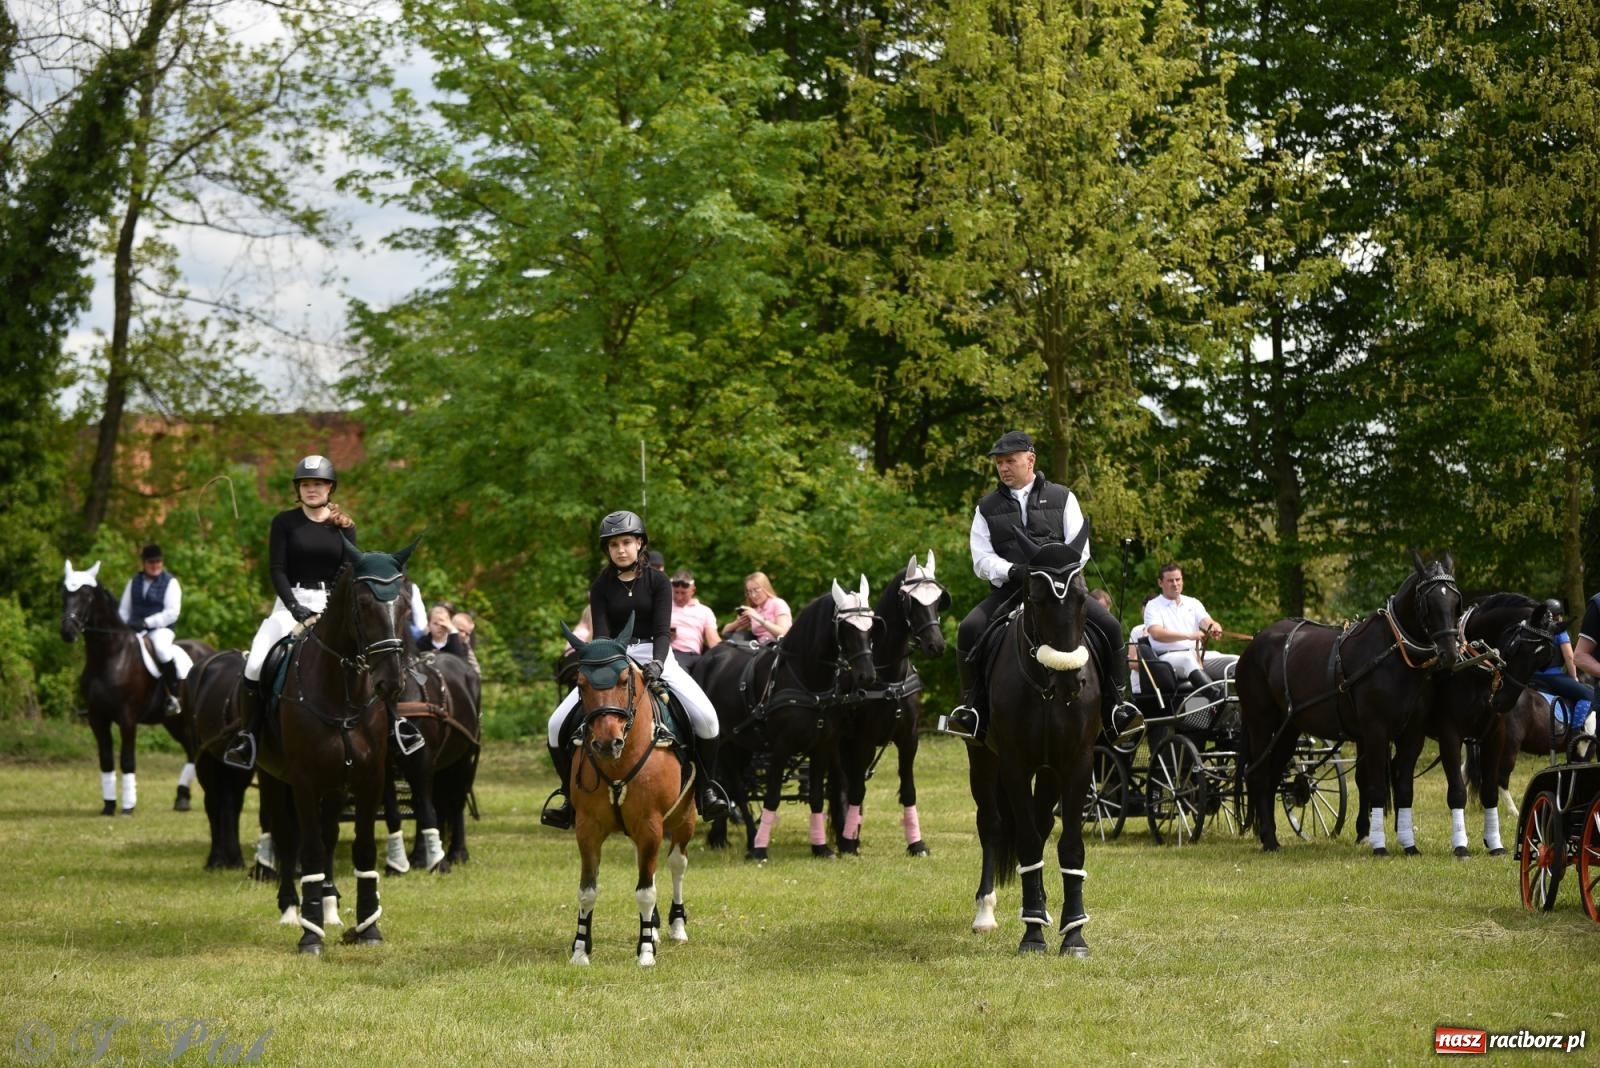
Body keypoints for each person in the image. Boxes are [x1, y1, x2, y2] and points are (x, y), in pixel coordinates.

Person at [223, 455, 424, 769]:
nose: (311, 489)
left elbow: (349, 573)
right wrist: (294, 606)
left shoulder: (344, 526)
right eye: (306, 484)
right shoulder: (284, 522)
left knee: (373, 654)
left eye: (317, 484)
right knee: (256, 662)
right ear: (298, 489)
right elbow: (277, 570)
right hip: (291, 604)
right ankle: (249, 736)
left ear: (330, 488)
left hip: (335, 607)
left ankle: (397, 723)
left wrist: (338, 610)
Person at [939, 430, 1139, 742]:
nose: (1004, 468)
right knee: (968, 628)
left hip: (1062, 591)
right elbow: (981, 559)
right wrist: (1014, 571)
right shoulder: (986, 507)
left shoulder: (1063, 497)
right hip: (1011, 589)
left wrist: (1053, 573)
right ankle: (973, 711)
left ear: (1030, 460)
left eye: (1010, 461)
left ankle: (1117, 708)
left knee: (1111, 627)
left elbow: (1080, 550)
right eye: (999, 463)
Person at [541, 510, 730, 828]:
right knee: (554, 724)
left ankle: (706, 790)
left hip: (657, 655)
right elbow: (601, 635)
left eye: (626, 542)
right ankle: (567, 797)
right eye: (613, 545)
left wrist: (656, 663)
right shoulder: (601, 585)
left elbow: (660, 631)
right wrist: (608, 664)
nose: (620, 550)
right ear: (608, 550)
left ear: (640, 543)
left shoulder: (658, 582)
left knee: (709, 720)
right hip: (613, 659)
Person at [117, 543, 193, 712]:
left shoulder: (170, 583)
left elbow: (172, 613)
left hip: (161, 630)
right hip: (134, 629)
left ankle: (173, 696)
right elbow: (123, 610)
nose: (155, 565)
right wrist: (123, 626)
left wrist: (147, 623)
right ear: (144, 563)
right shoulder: (134, 582)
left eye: (158, 561)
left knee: (162, 650)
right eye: (151, 562)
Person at [1143, 562, 1235, 694]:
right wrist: (1189, 635)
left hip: (1197, 654)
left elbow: (1206, 622)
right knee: (1188, 660)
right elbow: (1157, 633)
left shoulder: (1192, 602)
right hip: (1169, 658)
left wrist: (1214, 627)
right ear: (1160, 583)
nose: (1175, 584)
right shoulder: (1153, 606)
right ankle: (1217, 700)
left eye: (1178, 579)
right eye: (1170, 580)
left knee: (1235, 662)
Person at [1537, 598, 1593, 715]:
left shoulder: (1535, 630)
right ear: (1559, 616)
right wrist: (1574, 678)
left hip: (1534, 677)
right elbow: (1569, 657)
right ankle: (1576, 730)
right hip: (1554, 677)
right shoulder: (1560, 632)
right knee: (1588, 695)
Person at [668, 568, 720, 671]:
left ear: (693, 590)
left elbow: (713, 641)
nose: (679, 597)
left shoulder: (705, 611)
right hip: (673, 654)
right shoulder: (664, 607)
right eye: (676, 592)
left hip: (697, 656)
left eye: (683, 593)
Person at [721, 571, 792, 643]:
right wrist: (738, 623)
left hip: (778, 648)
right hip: (761, 649)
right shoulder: (755, 610)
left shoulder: (778, 603)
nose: (753, 595)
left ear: (765, 588)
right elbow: (725, 633)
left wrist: (758, 618)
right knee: (732, 642)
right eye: (749, 592)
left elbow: (783, 633)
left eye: (756, 590)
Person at [452, 609, 481, 675]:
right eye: (461, 630)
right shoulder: (437, 638)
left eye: (467, 634)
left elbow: (475, 668)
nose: (463, 635)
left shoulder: (465, 644)